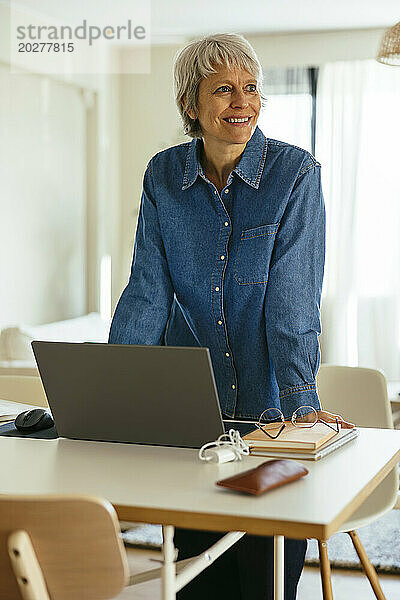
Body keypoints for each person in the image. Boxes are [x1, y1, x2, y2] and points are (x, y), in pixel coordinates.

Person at [109, 32, 354, 600]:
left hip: (269, 420)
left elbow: (291, 301)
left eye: (251, 89)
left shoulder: (295, 174)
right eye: (223, 90)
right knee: (198, 579)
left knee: (264, 582)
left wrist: (302, 409)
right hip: (190, 416)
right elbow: (147, 292)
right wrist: (116, 397)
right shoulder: (164, 176)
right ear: (190, 105)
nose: (242, 101)